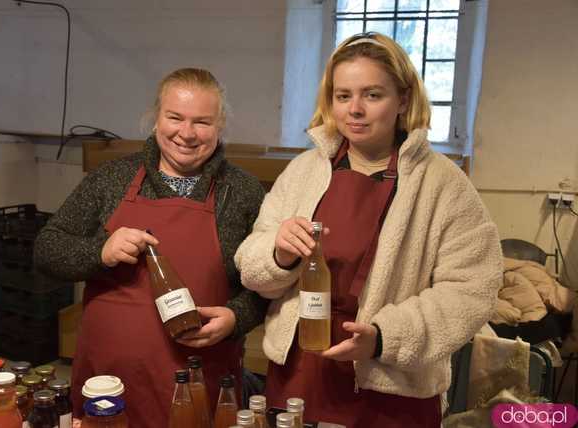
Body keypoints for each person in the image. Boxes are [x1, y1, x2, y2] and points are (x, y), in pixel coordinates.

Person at [234, 32, 502, 427]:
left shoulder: (441, 183)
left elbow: (472, 289)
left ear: (403, 100)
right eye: (343, 96)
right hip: (302, 371)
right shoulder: (304, 172)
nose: (354, 110)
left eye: (372, 95)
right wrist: (278, 253)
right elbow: (251, 265)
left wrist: (384, 337)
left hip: (391, 384)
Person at [34, 68, 267, 427]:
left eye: (202, 122)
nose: (186, 133)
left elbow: (268, 285)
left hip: (199, 379)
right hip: (107, 385)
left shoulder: (243, 193)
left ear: (220, 126)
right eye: (175, 117)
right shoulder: (111, 179)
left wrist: (238, 317)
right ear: (155, 117)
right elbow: (47, 250)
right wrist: (100, 252)